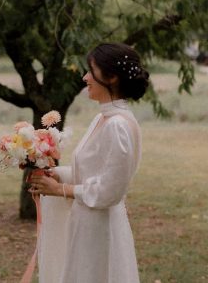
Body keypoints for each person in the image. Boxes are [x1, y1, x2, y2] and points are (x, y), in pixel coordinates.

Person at [29, 42, 147, 283]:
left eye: (91, 71)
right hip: (86, 225)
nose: (85, 78)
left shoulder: (118, 125)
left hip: (101, 231)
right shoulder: (102, 118)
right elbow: (93, 171)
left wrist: (60, 190)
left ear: (111, 77)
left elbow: (109, 191)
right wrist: (57, 174)